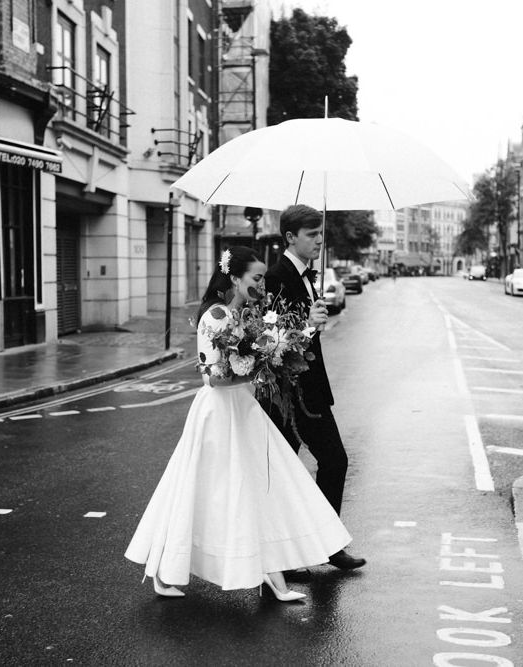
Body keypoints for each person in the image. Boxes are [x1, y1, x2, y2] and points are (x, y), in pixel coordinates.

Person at [125, 245, 353, 600]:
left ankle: (272, 574)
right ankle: (165, 569)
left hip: (245, 410)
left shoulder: (246, 317)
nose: (262, 285)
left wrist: (305, 329)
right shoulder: (214, 317)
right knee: (201, 492)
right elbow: (212, 377)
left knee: (262, 488)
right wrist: (256, 369)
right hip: (219, 414)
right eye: (257, 278)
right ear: (234, 278)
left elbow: (275, 350)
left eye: (262, 278)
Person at [264, 205, 366, 571]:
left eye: (320, 233)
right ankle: (294, 554)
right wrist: (308, 326)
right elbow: (269, 341)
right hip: (290, 395)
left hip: (312, 391)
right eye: (312, 234)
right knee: (296, 471)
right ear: (290, 237)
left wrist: (313, 322)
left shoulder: (308, 276)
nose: (319, 240)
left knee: (329, 462)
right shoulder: (276, 278)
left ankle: (325, 544)